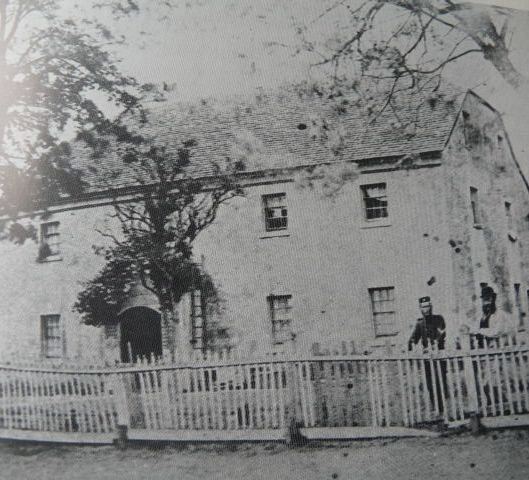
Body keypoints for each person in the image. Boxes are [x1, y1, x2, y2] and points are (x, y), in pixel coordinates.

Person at [408, 296, 447, 414]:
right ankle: (436, 407)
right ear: (420, 309)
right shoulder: (420, 324)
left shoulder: (439, 319)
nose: (426, 310)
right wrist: (411, 350)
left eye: (428, 306)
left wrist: (436, 343)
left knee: (441, 381)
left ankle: (443, 407)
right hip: (427, 358)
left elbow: (442, 333)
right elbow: (412, 340)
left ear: (431, 307)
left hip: (439, 355)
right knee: (430, 383)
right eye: (423, 307)